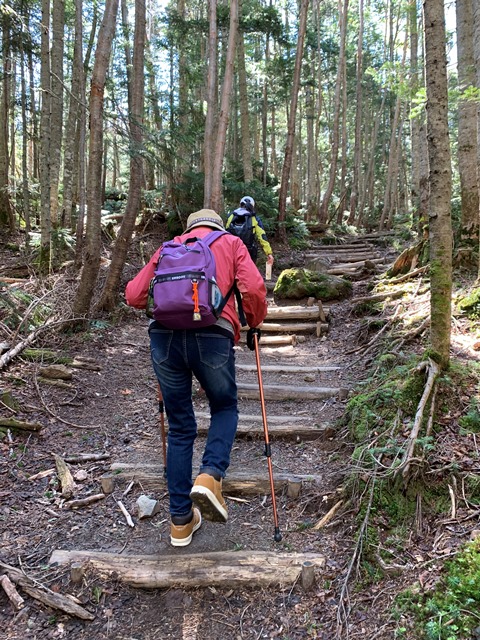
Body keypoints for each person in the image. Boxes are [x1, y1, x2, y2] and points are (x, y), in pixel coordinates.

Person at [125, 209, 267, 547]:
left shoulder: (168, 248)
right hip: (213, 337)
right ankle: (209, 475)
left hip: (164, 340)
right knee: (224, 407)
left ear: (190, 229)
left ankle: (180, 522)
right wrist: (254, 323)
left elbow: (133, 295)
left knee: (180, 426)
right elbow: (254, 290)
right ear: (217, 225)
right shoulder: (232, 243)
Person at [226, 196, 274, 268]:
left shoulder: (231, 216)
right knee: (247, 273)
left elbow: (226, 232)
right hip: (249, 252)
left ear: (240, 204)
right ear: (252, 206)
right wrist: (268, 253)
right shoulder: (254, 218)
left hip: (232, 250)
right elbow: (262, 237)